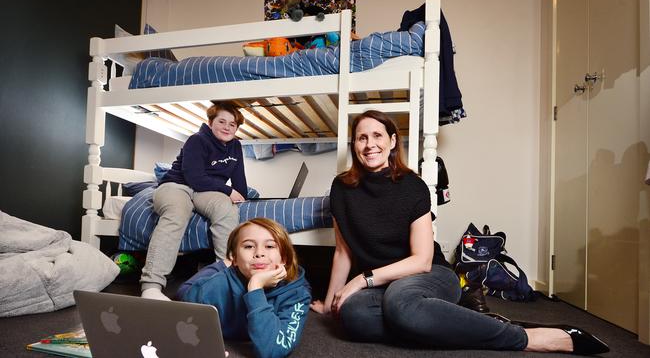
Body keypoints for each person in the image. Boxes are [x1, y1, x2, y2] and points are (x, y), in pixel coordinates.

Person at [311, 110, 609, 355]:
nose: (369, 144)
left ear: (392, 142)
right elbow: (343, 251)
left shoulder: (412, 187)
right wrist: (328, 302)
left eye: (377, 136)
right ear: (354, 145)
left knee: (399, 304)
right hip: (383, 286)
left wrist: (362, 280)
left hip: (431, 276)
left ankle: (524, 337)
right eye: (361, 138)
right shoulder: (342, 189)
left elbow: (422, 261)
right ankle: (463, 321)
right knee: (352, 316)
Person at [140, 101, 248, 301]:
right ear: (210, 122)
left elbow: (239, 182)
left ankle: (224, 280)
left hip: (205, 191)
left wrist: (240, 195)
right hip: (177, 185)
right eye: (222, 121)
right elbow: (194, 177)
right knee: (176, 213)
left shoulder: (236, 146)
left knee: (227, 208)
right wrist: (226, 189)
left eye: (232, 124)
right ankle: (151, 287)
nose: (227, 127)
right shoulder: (197, 140)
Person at [178, 218, 311, 358]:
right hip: (219, 275)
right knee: (182, 291)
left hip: (241, 269)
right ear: (234, 258)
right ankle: (223, 264)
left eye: (270, 246)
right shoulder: (215, 285)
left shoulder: (298, 294)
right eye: (248, 246)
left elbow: (273, 350)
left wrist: (255, 288)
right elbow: (179, 315)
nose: (259, 253)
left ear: (284, 258)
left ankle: (228, 264)